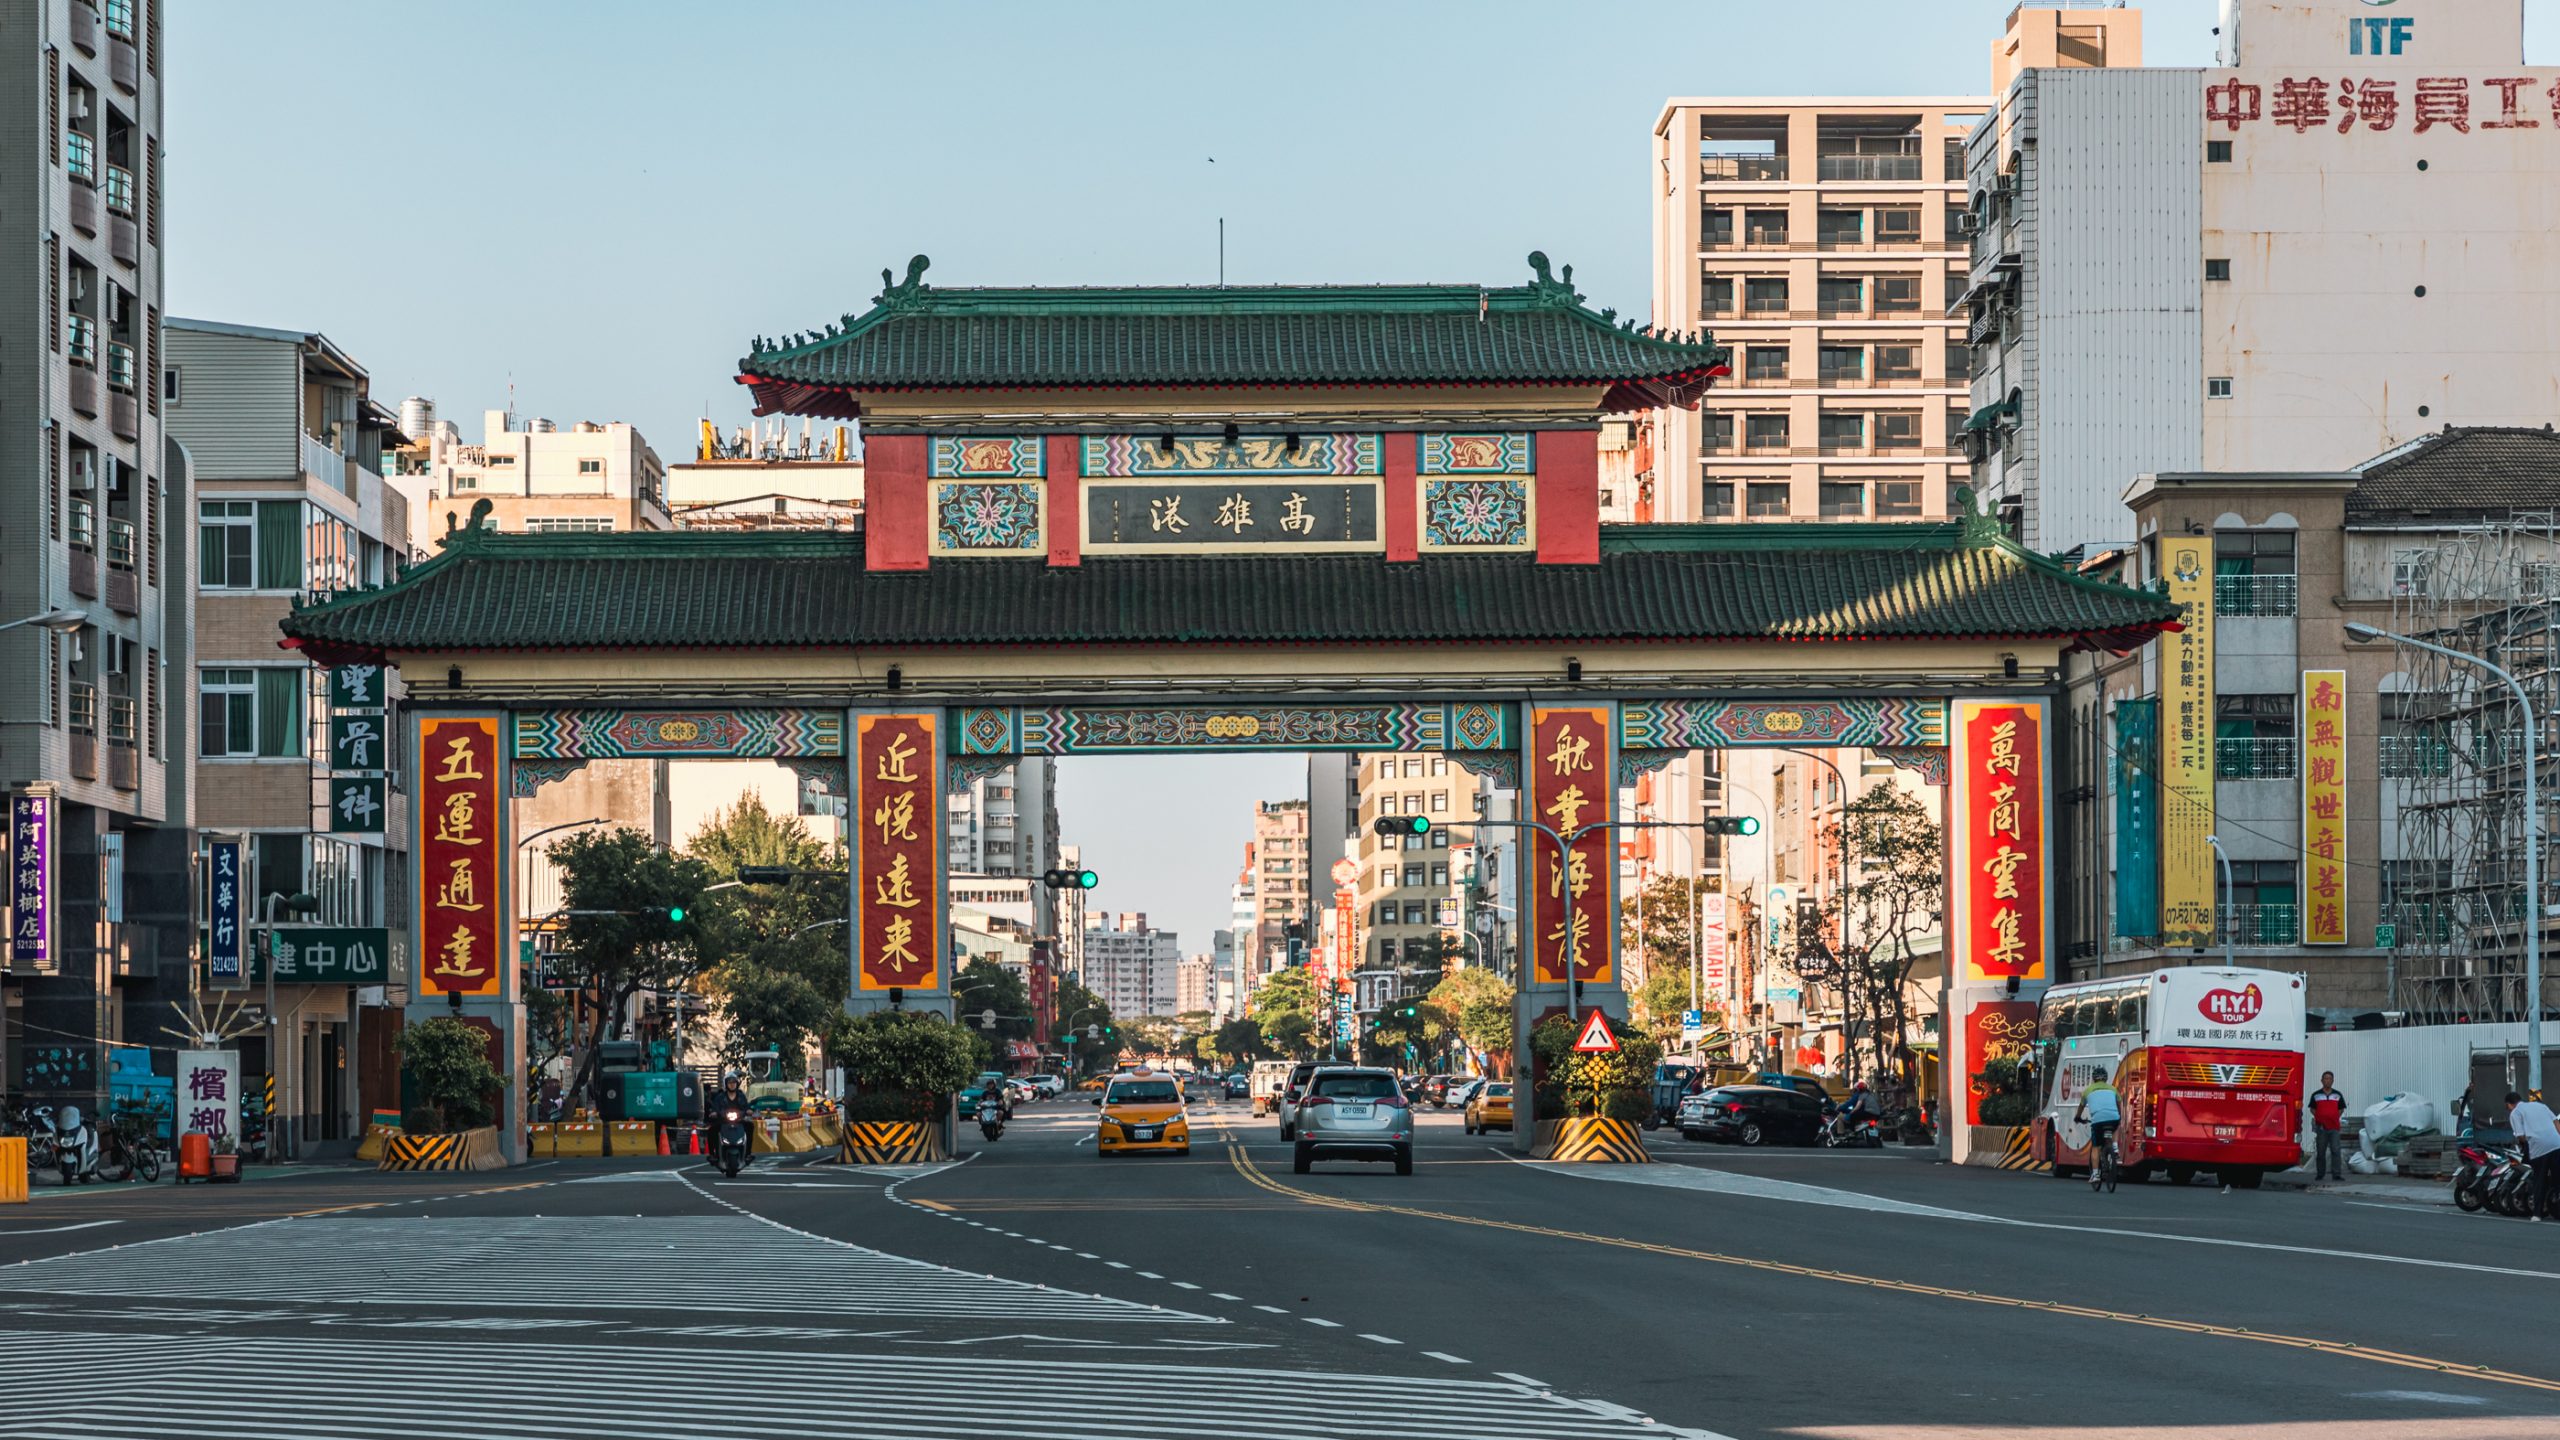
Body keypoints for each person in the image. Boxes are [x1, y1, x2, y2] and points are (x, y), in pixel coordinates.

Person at [2506, 1091, 2560, 1222]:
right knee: (2558, 1179)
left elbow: (2520, 1136)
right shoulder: (2540, 1106)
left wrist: (2527, 1140)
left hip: (2538, 1149)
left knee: (2539, 1181)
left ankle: (2537, 1214)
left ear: (2510, 1104)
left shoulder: (2515, 1113)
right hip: (2557, 1144)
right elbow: (2556, 1123)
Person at [2075, 1066, 2121, 1184]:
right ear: (2106, 1079)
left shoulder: (2088, 1090)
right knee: (2116, 1124)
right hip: (2113, 1118)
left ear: (2094, 1079)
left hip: (2098, 1122)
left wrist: (2078, 1118)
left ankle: (2095, 1175)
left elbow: (2081, 1107)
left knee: (2096, 1147)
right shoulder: (2113, 1089)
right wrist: (2119, 1116)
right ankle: (2115, 1147)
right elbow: (2119, 1104)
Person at [2308, 1071, 2347, 1181]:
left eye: (2330, 1078)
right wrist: (2320, 1117)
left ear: (2333, 1081)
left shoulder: (2337, 1095)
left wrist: (2333, 1117)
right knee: (2321, 1151)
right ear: (2321, 1080)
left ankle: (2336, 1174)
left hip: (2334, 1127)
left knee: (2335, 1150)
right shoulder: (2316, 1095)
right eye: (2325, 1078)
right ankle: (2320, 1174)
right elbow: (2312, 1109)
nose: (2327, 1080)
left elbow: (2341, 1109)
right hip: (2321, 1127)